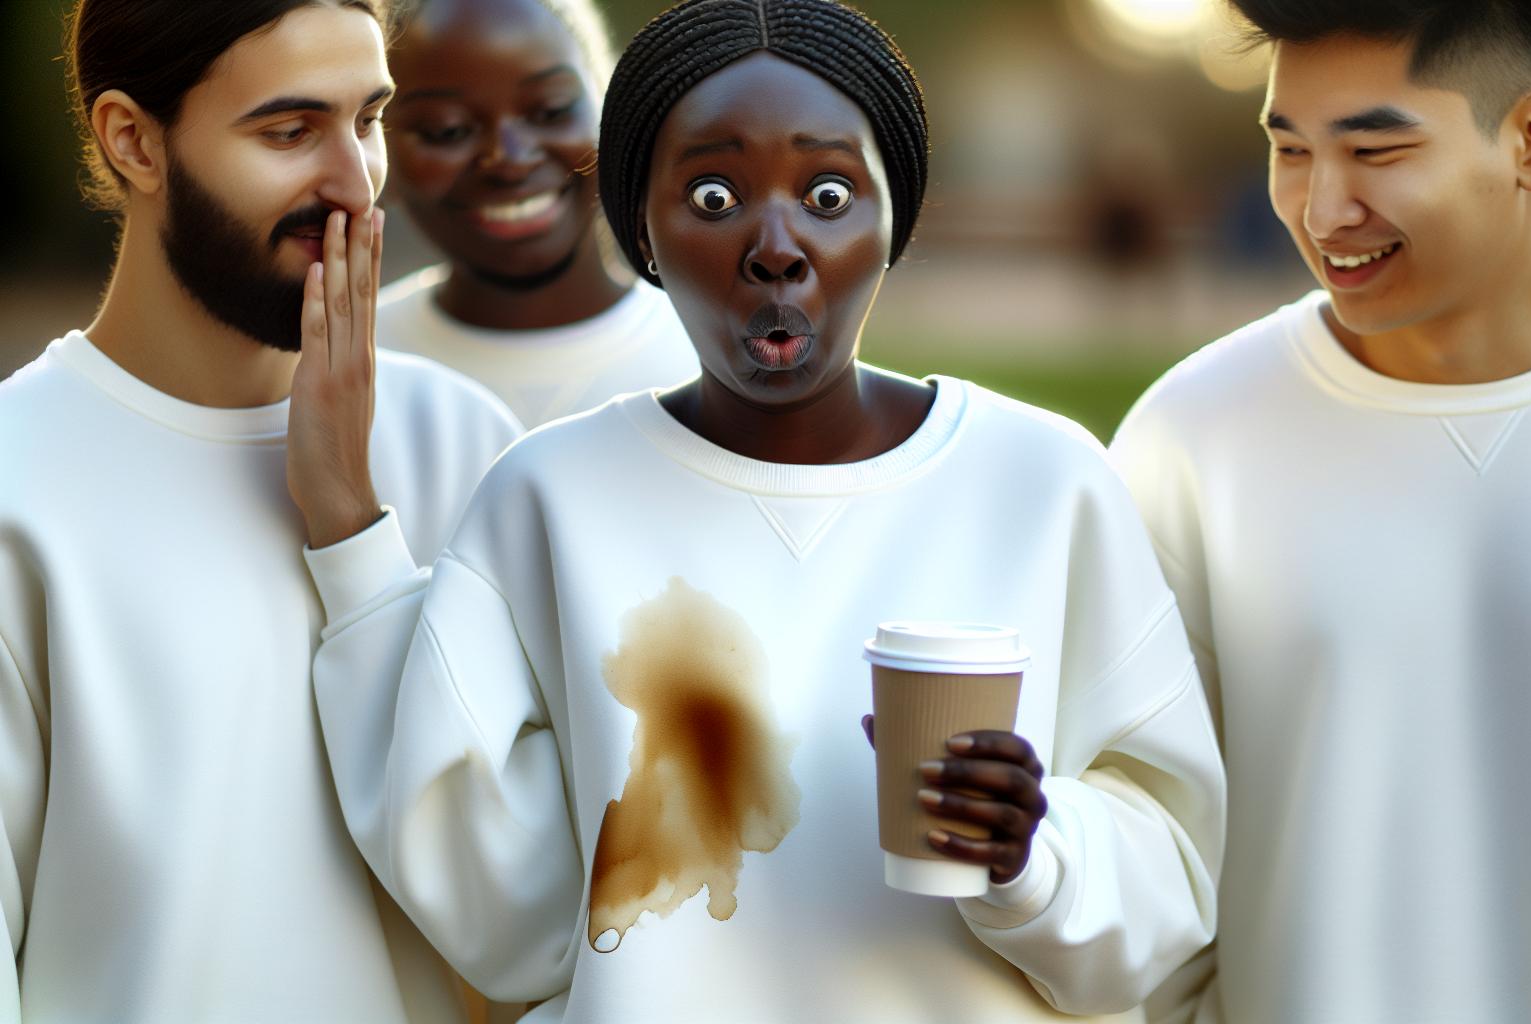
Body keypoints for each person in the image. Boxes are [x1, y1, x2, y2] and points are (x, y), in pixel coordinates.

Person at [295, 0, 1225, 1020]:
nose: (776, 243)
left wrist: (1033, 857)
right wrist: (346, 530)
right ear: (639, 227)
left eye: (829, 193)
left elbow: (1169, 873)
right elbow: (488, 902)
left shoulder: (1046, 485)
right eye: (711, 193)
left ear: (894, 219)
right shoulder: (547, 498)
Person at [1108, 1, 1531, 1021]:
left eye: (1376, 150)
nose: (1321, 207)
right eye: (1290, 149)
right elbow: (1140, 864)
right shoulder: (1189, 443)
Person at [0, 1, 521, 1019]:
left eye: (367, 119)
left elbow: (544, 919)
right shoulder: (16, 479)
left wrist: (356, 529)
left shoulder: (473, 449)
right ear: (133, 141)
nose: (352, 181)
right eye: (289, 132)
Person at [376, 0, 697, 429]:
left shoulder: (718, 354)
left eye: (551, 111)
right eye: (447, 130)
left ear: (611, 110)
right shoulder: (340, 362)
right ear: (378, 151)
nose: (510, 159)